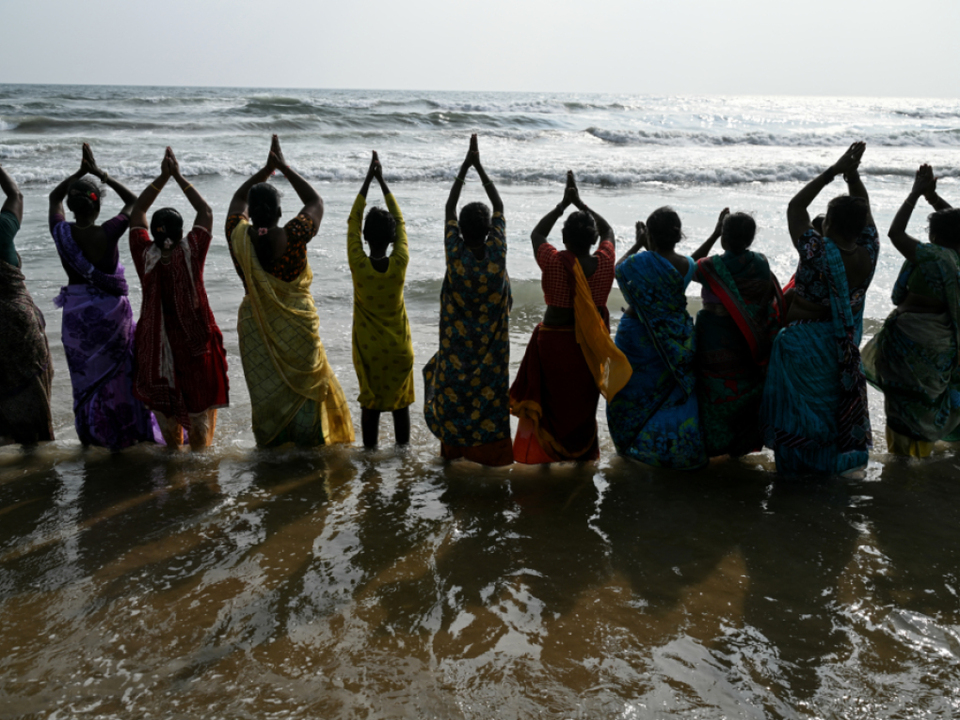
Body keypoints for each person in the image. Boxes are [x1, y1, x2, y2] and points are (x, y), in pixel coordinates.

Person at [225, 135, 354, 448]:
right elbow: (315, 202)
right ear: (280, 212)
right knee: (306, 391)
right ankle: (309, 447)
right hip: (298, 327)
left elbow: (238, 198)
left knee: (267, 393)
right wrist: (283, 167)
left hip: (256, 327)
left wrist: (265, 171)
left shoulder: (237, 234)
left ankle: (272, 450)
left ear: (252, 213)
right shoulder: (296, 234)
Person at [761, 142, 879, 475]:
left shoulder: (816, 250)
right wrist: (853, 177)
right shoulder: (869, 251)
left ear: (828, 226)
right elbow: (865, 212)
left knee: (798, 416)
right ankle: (828, 468)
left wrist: (834, 171)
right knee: (828, 411)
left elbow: (796, 206)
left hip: (802, 346)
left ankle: (797, 471)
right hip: (840, 345)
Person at [510, 171, 630, 463]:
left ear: (563, 238)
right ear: (593, 239)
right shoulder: (605, 263)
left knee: (551, 403)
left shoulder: (554, 261)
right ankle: (582, 460)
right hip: (589, 346)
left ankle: (546, 461)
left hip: (553, 344)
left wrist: (563, 205)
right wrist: (581, 204)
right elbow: (609, 230)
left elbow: (537, 234)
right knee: (582, 404)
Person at [49, 144, 161, 450]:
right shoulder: (109, 231)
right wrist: (102, 175)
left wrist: (79, 173)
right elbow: (134, 202)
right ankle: (125, 435)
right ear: (97, 207)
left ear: (72, 206)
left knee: (85, 381)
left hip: (77, 317)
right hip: (111, 315)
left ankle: (91, 437)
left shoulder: (61, 232)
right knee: (120, 375)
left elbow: (53, 198)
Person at [128, 147, 229, 449]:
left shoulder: (145, 255)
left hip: (156, 350)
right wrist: (179, 177)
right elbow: (206, 212)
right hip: (194, 346)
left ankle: (173, 465)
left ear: (154, 234)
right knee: (200, 420)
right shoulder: (191, 252)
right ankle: (200, 466)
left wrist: (162, 178)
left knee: (169, 428)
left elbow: (137, 211)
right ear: (182, 232)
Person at [423, 134, 514, 466]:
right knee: (489, 401)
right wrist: (480, 167)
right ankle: (491, 459)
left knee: (455, 397)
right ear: (490, 230)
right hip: (492, 352)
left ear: (459, 230)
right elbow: (499, 206)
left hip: (457, 349)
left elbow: (449, 207)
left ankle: (453, 456)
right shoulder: (497, 252)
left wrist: (465, 166)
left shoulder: (455, 254)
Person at [862, 164, 960, 457]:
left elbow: (895, 232)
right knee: (926, 402)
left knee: (904, 403)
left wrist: (916, 193)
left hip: (912, 339)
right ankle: (923, 452)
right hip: (941, 342)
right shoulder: (956, 258)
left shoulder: (932, 255)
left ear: (934, 235)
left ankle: (904, 461)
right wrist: (933, 198)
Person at [606, 207, 713, 469]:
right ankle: (669, 448)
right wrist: (716, 233)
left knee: (629, 393)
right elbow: (688, 261)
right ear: (677, 236)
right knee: (669, 394)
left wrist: (638, 243)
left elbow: (618, 269)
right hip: (675, 338)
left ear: (650, 236)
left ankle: (631, 445)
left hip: (636, 338)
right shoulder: (687, 265)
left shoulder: (637, 263)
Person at [692, 210, 784, 457]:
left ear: (724, 237)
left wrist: (713, 234)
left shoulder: (711, 266)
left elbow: (688, 267)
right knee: (742, 391)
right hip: (747, 341)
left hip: (714, 340)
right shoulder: (761, 263)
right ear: (751, 239)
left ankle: (714, 445)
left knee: (713, 392)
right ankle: (738, 448)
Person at [347, 151, 414, 448]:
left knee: (370, 405)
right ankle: (404, 459)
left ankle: (370, 459)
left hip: (368, 348)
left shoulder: (358, 264)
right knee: (401, 406)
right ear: (393, 238)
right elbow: (400, 221)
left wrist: (368, 180)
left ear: (364, 236)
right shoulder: (400, 261)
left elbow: (352, 221)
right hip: (400, 347)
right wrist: (382, 181)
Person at [0, 162, 55, 446]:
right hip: (17, 321)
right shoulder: (1, 228)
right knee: (31, 387)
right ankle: (35, 454)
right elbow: (15, 194)